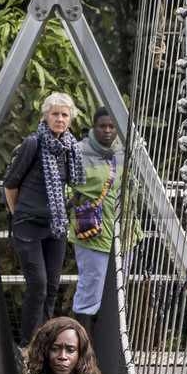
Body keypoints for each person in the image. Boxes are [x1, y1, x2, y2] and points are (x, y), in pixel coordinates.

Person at [2, 92, 80, 345]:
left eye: (64, 114)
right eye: (55, 113)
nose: (59, 118)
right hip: (28, 226)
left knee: (52, 288)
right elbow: (10, 184)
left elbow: (75, 185)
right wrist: (19, 214)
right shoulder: (33, 144)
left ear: (70, 119)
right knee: (38, 284)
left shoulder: (70, 148)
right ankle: (29, 345)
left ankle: (45, 342)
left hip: (55, 226)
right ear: (45, 116)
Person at [70, 107, 120, 332]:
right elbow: (63, 186)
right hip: (93, 233)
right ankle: (83, 349)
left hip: (123, 234)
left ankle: (109, 353)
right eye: (103, 126)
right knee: (90, 291)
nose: (108, 131)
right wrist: (73, 199)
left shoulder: (127, 150)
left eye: (112, 126)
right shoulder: (78, 152)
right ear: (93, 127)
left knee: (117, 293)